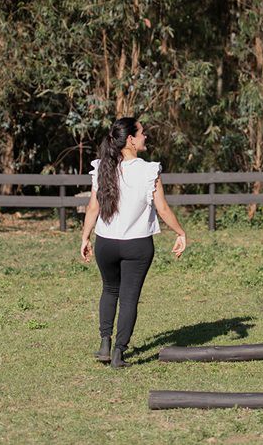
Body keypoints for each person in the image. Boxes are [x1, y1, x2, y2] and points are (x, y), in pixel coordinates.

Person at [80, 117, 187, 367]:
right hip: (137, 245)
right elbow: (162, 208)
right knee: (128, 298)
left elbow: (93, 207)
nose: (145, 137)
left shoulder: (102, 168)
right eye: (142, 133)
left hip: (106, 243)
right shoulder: (149, 170)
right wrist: (180, 232)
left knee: (109, 290)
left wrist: (85, 236)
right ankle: (119, 352)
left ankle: (105, 343)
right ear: (130, 139)